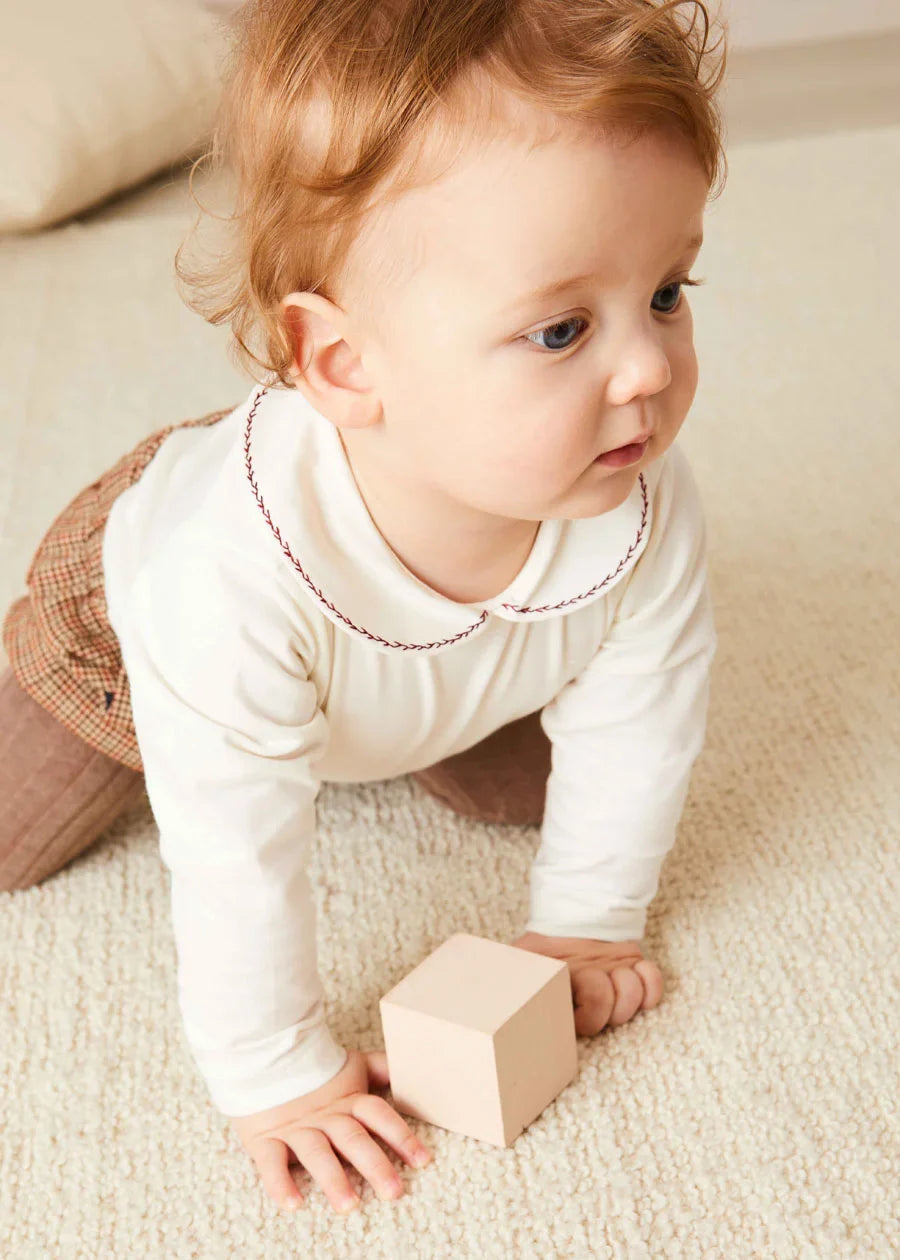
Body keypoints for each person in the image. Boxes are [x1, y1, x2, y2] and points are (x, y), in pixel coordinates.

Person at [0, 0, 728, 1218]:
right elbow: (232, 848)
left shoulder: (635, 493)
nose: (650, 368)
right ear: (344, 365)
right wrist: (274, 1073)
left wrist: (587, 927)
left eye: (666, 291)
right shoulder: (216, 576)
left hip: (438, 674)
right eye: (562, 329)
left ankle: (397, 726)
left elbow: (644, 716)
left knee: (558, 798)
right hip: (129, 651)